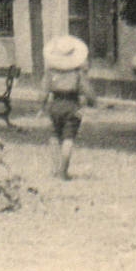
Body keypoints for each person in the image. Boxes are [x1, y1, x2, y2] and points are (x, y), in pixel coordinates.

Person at [41, 33, 92, 180]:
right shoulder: (77, 73)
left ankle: (55, 168)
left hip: (55, 105)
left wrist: (41, 106)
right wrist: (94, 102)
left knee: (54, 136)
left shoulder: (50, 73)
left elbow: (44, 92)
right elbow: (87, 91)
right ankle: (63, 171)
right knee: (68, 137)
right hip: (72, 105)